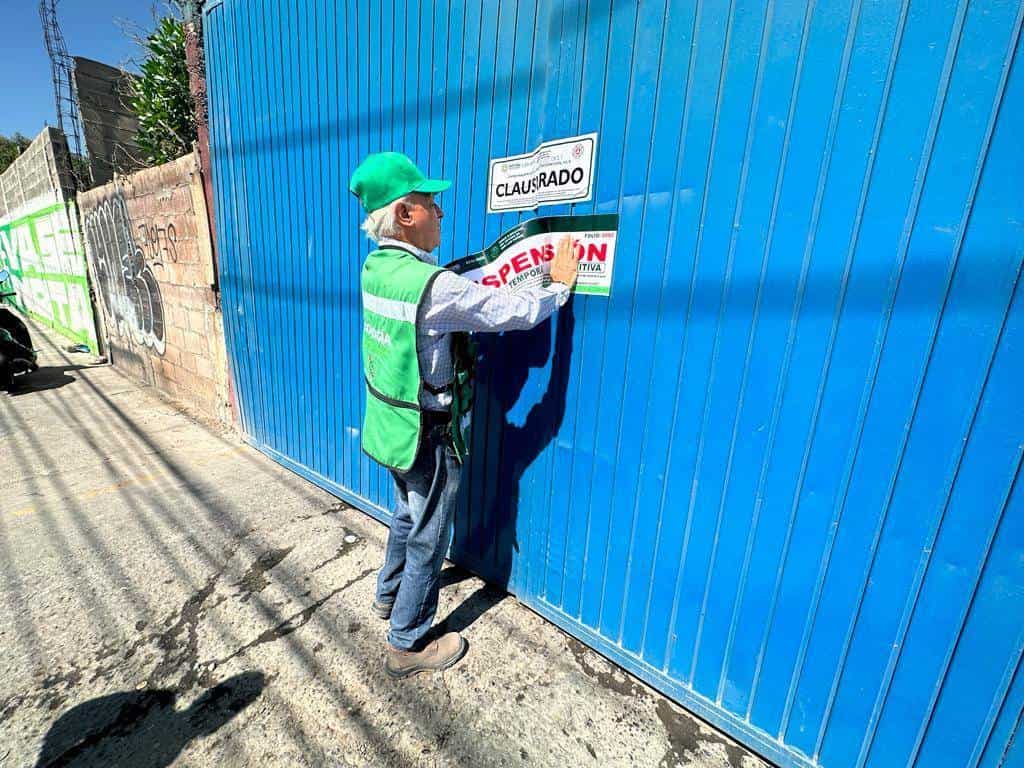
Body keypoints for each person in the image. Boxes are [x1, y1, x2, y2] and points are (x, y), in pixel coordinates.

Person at [349, 152, 579, 678]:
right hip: (429, 433)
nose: (442, 213)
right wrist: (558, 285)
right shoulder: (434, 287)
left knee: (409, 514)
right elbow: (513, 313)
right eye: (433, 204)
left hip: (392, 425)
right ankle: (407, 641)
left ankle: (389, 595)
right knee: (431, 531)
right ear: (406, 214)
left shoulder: (377, 269)